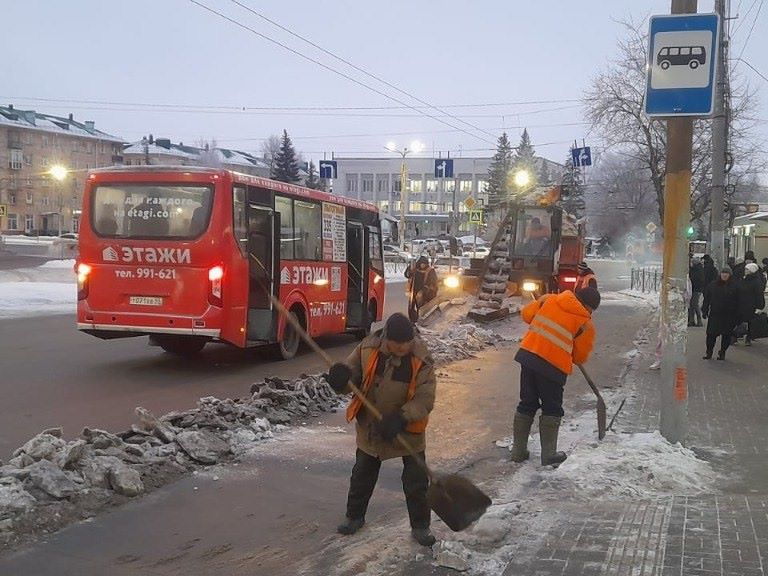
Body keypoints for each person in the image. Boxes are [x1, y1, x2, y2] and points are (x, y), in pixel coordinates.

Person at [326, 313, 437, 547]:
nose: (402, 348)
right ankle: (354, 517)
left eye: (406, 343)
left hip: (406, 428)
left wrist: (401, 417)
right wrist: (340, 379)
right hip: (372, 426)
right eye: (397, 344)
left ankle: (420, 526)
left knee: (416, 482)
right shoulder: (368, 348)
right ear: (387, 338)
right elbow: (351, 375)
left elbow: (425, 398)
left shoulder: (421, 358)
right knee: (362, 475)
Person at [510, 287, 599, 466]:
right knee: (552, 408)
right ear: (589, 308)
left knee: (527, 403)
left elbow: (527, 315)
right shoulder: (585, 324)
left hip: (529, 356)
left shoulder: (549, 299)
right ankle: (549, 455)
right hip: (553, 368)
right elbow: (580, 357)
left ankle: (518, 452)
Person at [702, 266, 739, 360]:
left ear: (730, 275)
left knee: (726, 335)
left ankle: (722, 352)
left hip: (729, 315)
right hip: (715, 314)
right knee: (711, 335)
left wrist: (738, 315)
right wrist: (704, 310)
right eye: (723, 273)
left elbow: (739, 301)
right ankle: (709, 352)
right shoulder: (713, 285)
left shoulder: (735, 286)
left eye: (727, 273)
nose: (724, 275)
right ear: (720, 274)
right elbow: (707, 299)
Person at [736, 262, 765, 346]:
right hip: (741, 304)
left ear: (751, 270)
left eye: (747, 269)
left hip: (751, 305)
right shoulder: (744, 279)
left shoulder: (756, 281)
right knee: (739, 320)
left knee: (749, 322)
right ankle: (736, 336)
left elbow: (759, 294)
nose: (745, 270)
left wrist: (759, 306)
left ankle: (748, 338)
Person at [404, 256, 438, 322]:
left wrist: (426, 289)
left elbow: (433, 282)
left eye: (424, 264)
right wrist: (409, 269)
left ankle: (420, 320)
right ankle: (413, 320)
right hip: (413, 290)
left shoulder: (430, 270)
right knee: (411, 307)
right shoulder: (414, 268)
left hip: (424, 293)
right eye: (422, 263)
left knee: (421, 308)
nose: (423, 265)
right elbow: (407, 275)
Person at [688, 257, 705, 327]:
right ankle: (691, 321)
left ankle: (699, 320)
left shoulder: (698, 269)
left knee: (694, 304)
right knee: (691, 305)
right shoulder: (696, 269)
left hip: (696, 289)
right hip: (694, 289)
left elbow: (697, 279)